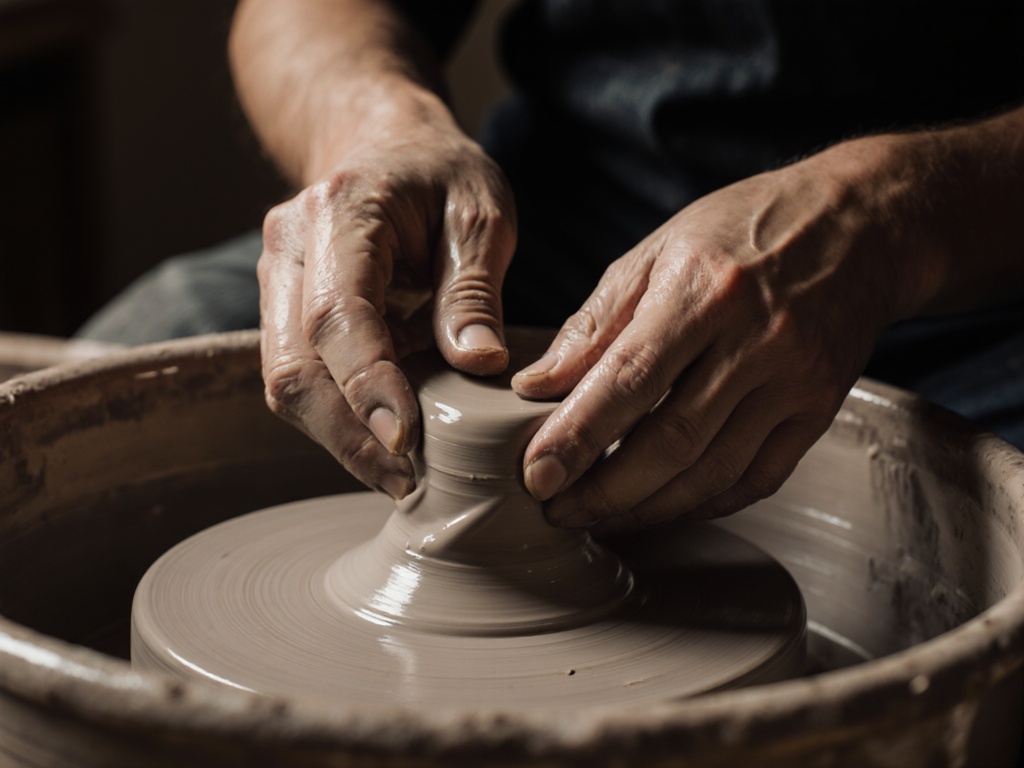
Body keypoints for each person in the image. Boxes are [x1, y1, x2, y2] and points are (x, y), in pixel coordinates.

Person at [79, 0, 1024, 532]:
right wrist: (376, 123)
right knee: (128, 357)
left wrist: (889, 215)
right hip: (546, 222)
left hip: (975, 279)